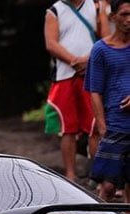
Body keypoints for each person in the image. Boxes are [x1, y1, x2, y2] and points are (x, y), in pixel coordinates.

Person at [44, 0, 110, 181]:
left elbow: (106, 38)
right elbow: (51, 43)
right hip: (65, 75)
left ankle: (97, 176)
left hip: (93, 73)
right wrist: (75, 60)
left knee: (95, 126)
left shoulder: (97, 5)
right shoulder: (54, 11)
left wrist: (89, 60)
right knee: (68, 128)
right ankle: (70, 175)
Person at [84, 0, 130, 202]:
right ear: (113, 17)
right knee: (108, 185)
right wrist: (102, 128)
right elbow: (95, 91)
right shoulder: (101, 49)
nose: (129, 20)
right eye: (124, 14)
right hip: (115, 124)